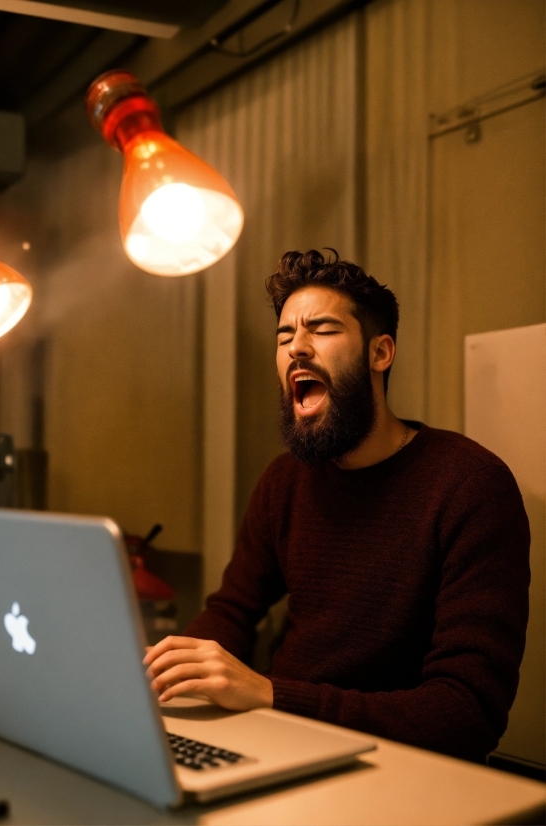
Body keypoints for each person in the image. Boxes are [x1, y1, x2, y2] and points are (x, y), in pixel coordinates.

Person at [144, 249, 530, 762]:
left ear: (380, 353)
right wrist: (163, 674)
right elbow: (231, 613)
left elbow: (466, 714)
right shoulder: (286, 481)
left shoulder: (469, 485)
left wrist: (273, 694)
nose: (296, 349)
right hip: (280, 744)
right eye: (284, 337)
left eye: (322, 330)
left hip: (398, 772)